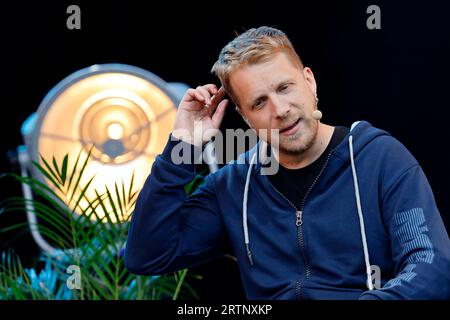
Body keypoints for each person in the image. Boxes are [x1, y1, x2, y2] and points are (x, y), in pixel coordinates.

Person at [124, 26, 450, 299]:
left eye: (285, 87)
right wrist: (184, 147)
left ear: (309, 82)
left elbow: (431, 268)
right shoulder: (233, 185)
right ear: (245, 118)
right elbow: (147, 255)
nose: (279, 109)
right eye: (259, 101)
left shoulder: (378, 157)